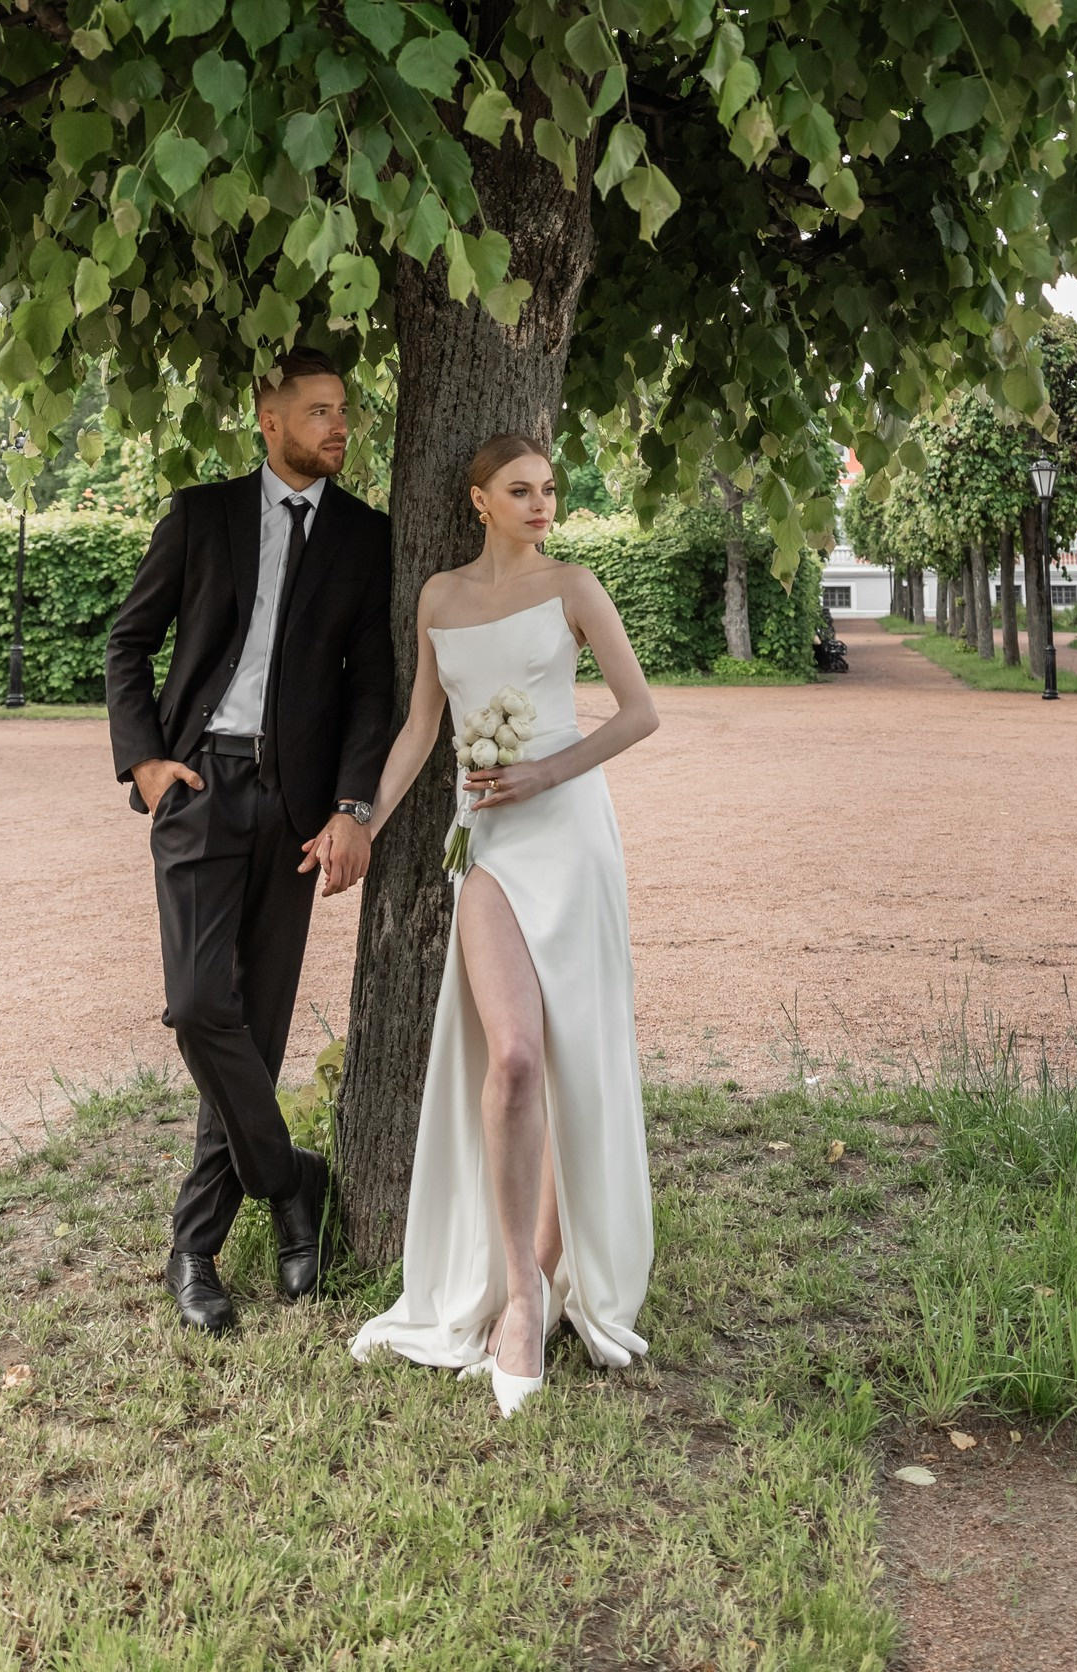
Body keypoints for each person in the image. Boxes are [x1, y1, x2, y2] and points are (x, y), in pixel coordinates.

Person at [350, 432, 657, 1416]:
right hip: (482, 842)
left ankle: (546, 1285)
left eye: (549, 489)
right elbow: (420, 729)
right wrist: (361, 825)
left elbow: (638, 713)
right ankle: (518, 1289)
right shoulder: (438, 598)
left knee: (568, 1058)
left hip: (569, 833)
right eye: (519, 490)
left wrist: (543, 772)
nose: (540, 503)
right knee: (514, 1056)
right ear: (478, 499)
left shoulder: (573, 587)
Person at [105, 348, 393, 1337]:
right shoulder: (201, 516)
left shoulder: (364, 536)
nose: (338, 426)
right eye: (318, 411)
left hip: (296, 808)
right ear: (269, 421)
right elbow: (128, 641)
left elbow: (372, 684)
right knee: (198, 1007)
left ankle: (193, 1250)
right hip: (198, 788)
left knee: (254, 1030)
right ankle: (288, 1177)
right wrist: (145, 761)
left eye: (342, 410)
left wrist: (352, 807)